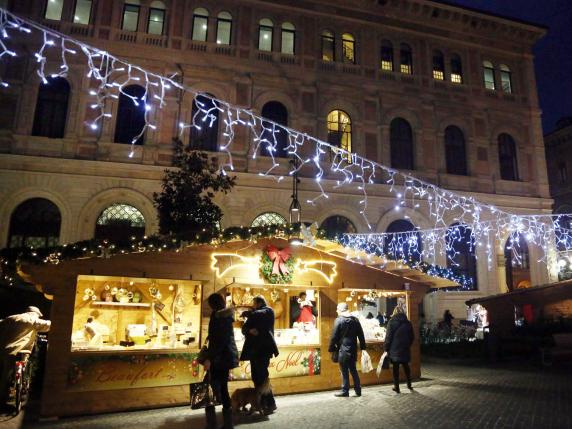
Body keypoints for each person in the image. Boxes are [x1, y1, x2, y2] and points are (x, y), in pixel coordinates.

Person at [0, 306, 51, 407]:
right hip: (18, 351)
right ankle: (2, 400)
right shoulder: (33, 320)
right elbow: (49, 325)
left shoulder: (11, 318)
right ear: (35, 314)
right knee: (7, 376)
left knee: (3, 373)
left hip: (3, 349)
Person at [202, 293, 239, 429]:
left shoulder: (220, 316)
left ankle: (212, 424)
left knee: (211, 389)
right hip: (224, 357)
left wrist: (209, 359)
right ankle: (227, 423)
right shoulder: (223, 315)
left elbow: (220, 341)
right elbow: (219, 338)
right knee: (221, 389)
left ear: (213, 304)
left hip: (219, 358)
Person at [240, 295, 279, 414]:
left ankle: (270, 403)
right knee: (256, 377)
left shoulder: (267, 311)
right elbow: (244, 329)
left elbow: (261, 313)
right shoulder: (255, 314)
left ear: (259, 303)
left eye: (254, 303)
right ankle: (260, 402)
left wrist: (249, 313)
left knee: (262, 376)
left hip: (263, 349)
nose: (253, 305)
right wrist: (249, 330)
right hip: (253, 350)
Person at [328, 303, 366, 397]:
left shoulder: (339, 320)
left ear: (341, 310)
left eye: (337, 309)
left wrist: (331, 348)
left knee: (344, 371)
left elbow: (334, 336)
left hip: (343, 349)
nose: (336, 311)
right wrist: (363, 347)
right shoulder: (355, 320)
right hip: (353, 349)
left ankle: (345, 391)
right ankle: (358, 390)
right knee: (353, 369)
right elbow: (361, 335)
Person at [384, 306, 414, 393]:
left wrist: (386, 347)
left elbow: (388, 337)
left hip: (394, 349)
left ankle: (397, 387)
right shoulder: (408, 323)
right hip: (405, 348)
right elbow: (412, 336)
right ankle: (409, 384)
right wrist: (408, 344)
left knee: (395, 369)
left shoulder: (392, 322)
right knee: (406, 367)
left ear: (394, 312)